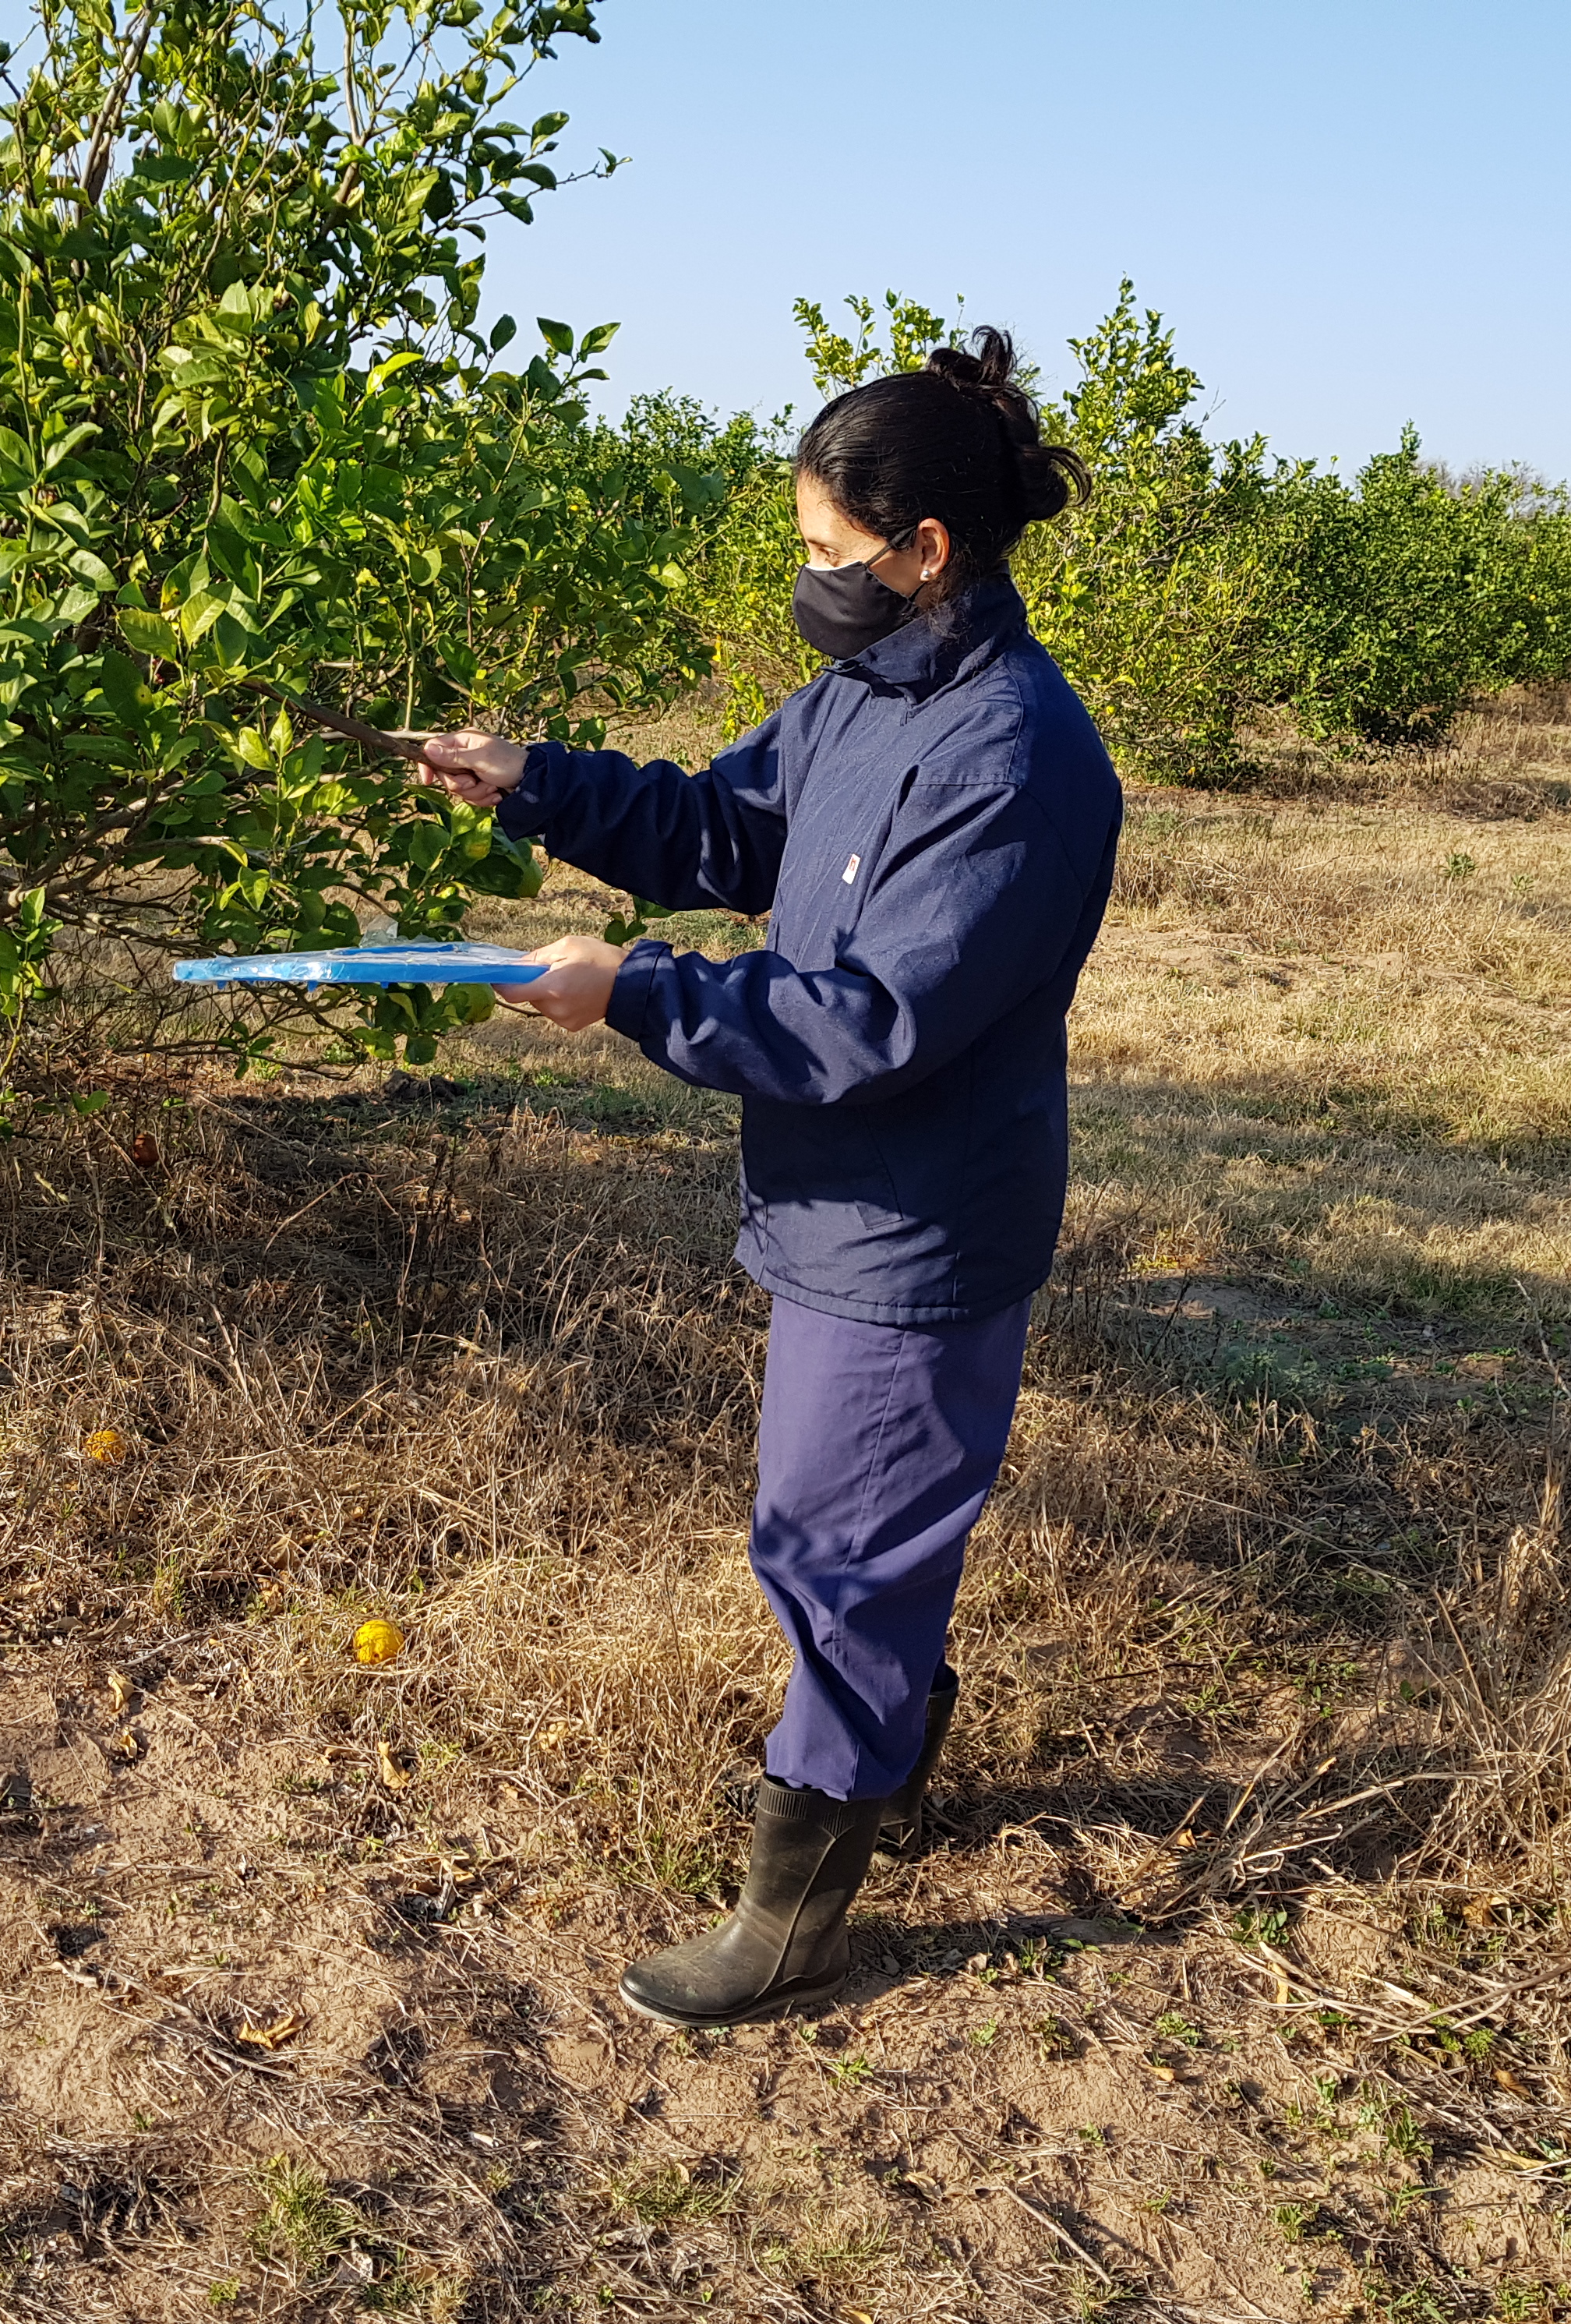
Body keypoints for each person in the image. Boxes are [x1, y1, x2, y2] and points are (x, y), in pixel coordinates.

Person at [414, 328, 1122, 2029]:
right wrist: (539, 786)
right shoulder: (869, 696)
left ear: (924, 551)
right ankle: (889, 1756)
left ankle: (795, 1918)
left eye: (826, 554)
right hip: (833, 1197)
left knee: (834, 1546)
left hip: (915, 1215)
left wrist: (633, 993)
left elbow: (874, 1020)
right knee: (858, 1538)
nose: (811, 584)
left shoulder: (1016, 761)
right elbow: (735, 834)